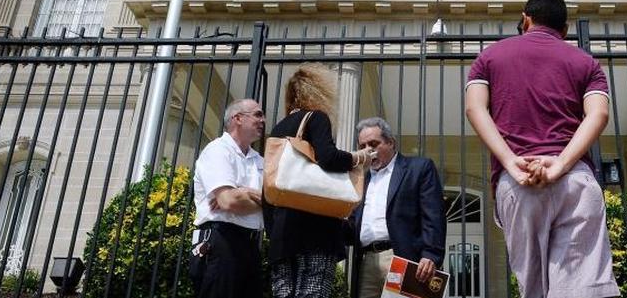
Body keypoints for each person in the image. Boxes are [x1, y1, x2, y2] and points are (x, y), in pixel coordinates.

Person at [465, 0, 620, 298]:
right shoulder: (586, 63)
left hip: (520, 179)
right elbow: (599, 114)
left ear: (526, 19)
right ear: (564, 29)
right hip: (574, 179)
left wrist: (510, 161)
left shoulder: (490, 56)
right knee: (583, 289)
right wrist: (561, 163)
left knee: (532, 287)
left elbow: (474, 108)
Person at [263, 64, 375, 298]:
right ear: (318, 92)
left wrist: (273, 232)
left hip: (282, 236)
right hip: (316, 231)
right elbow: (329, 158)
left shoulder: (277, 129)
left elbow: (268, 185)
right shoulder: (316, 118)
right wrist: (358, 157)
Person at [348, 117, 446, 298]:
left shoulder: (418, 168)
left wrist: (431, 254)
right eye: (362, 146)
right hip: (366, 261)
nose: (368, 150)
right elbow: (354, 223)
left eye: (373, 144)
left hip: (401, 256)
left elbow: (433, 215)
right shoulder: (362, 180)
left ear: (391, 142)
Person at [191, 98, 266, 298]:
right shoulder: (217, 150)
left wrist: (244, 191)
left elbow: (277, 199)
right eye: (258, 114)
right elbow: (228, 202)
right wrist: (261, 198)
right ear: (237, 118)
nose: (263, 120)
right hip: (220, 240)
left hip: (251, 244)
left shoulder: (260, 160)